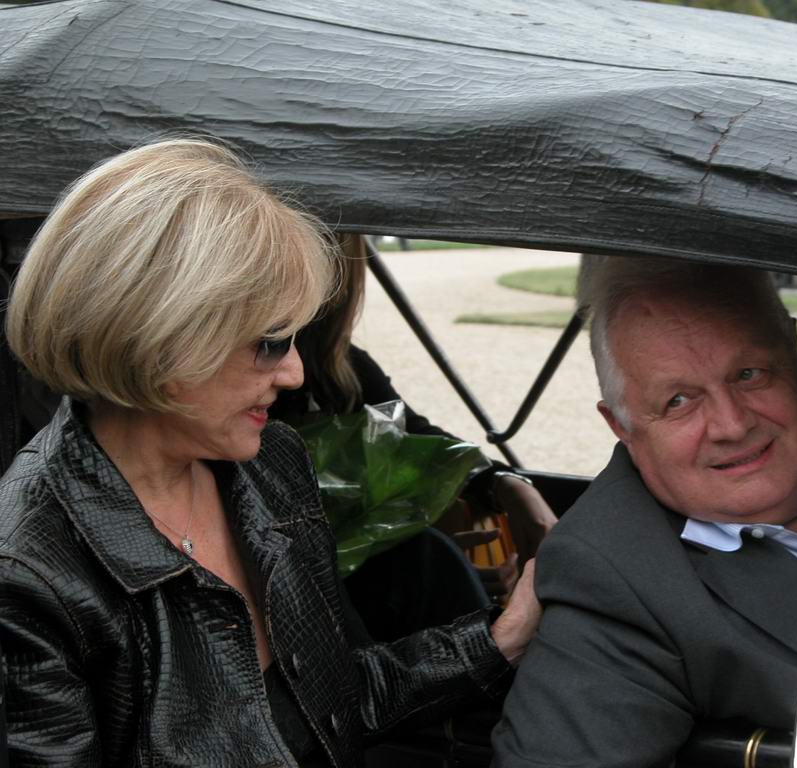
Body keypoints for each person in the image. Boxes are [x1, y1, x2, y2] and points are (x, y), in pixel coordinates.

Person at [0, 138, 540, 767]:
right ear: (161, 338)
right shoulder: (26, 574)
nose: (295, 374)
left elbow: (335, 702)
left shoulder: (268, 464)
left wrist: (502, 637)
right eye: (272, 342)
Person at [492, 257, 797, 767]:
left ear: (795, 350)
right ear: (621, 425)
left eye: (749, 374)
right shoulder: (615, 575)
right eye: (679, 401)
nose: (731, 424)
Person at [272, 241, 558, 637]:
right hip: (297, 598)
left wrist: (507, 483)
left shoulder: (340, 369)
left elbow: (415, 438)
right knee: (427, 557)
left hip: (344, 590)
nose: (289, 372)